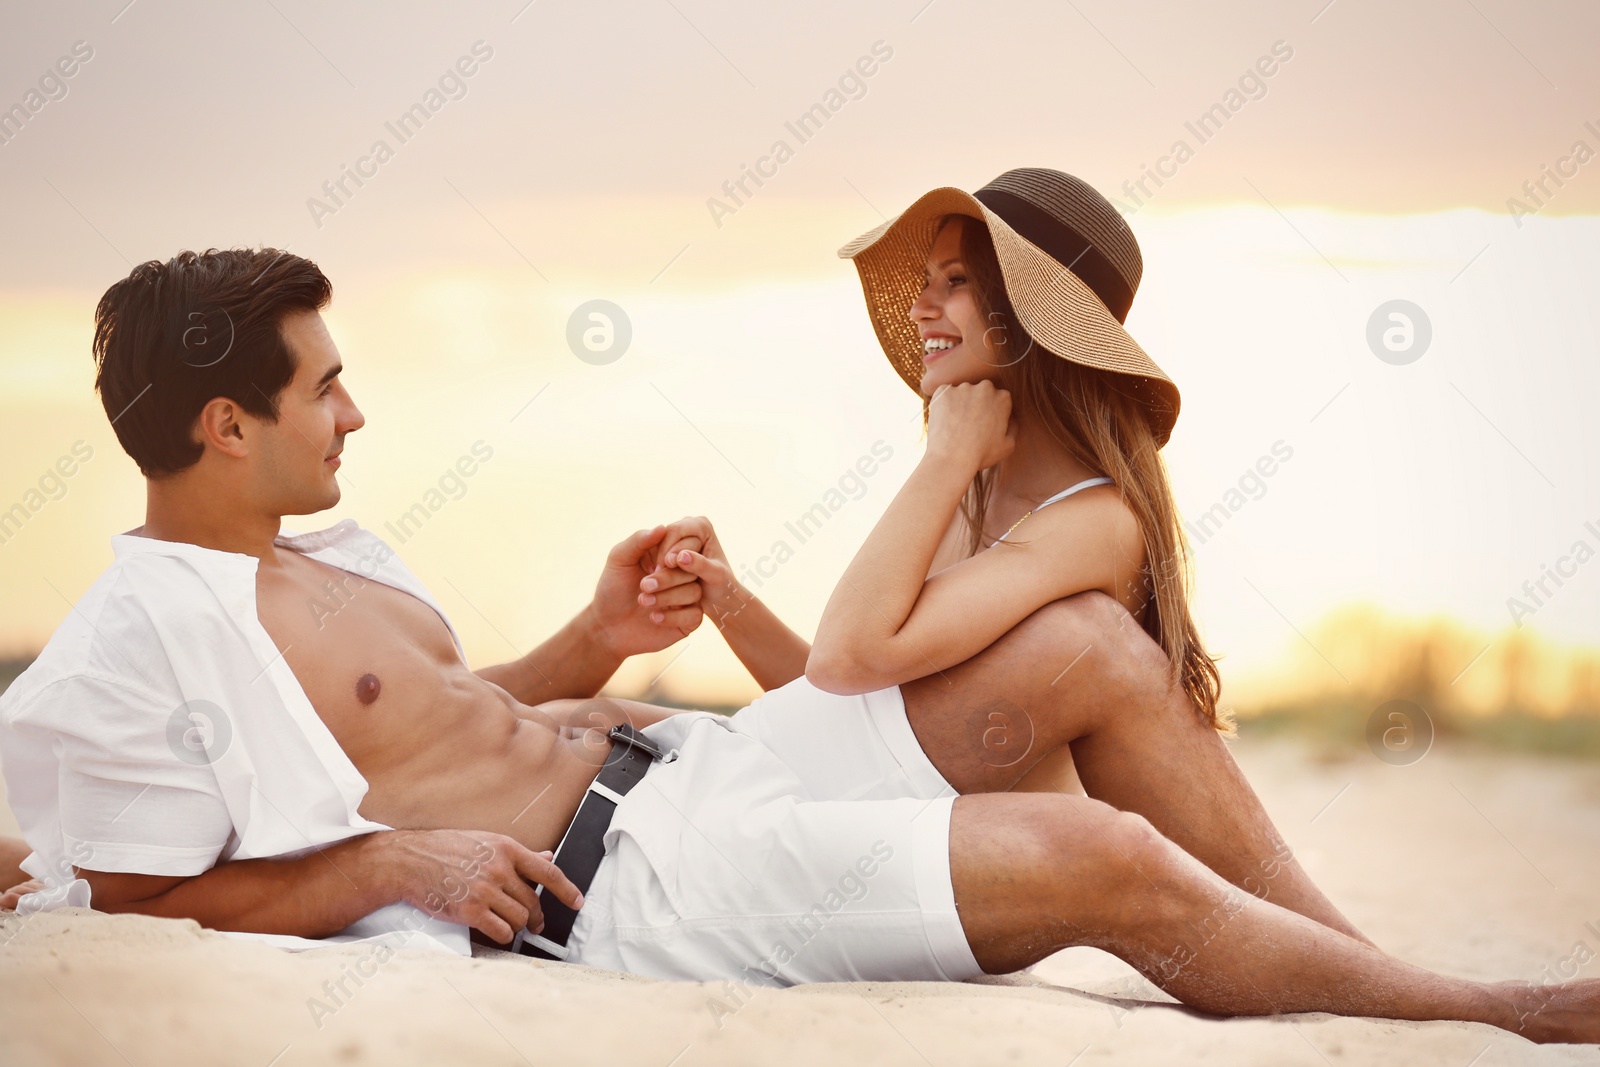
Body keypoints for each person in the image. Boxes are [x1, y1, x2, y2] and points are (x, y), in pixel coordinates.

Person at [0, 245, 1593, 1044]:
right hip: (643, 893)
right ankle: (1487, 1015)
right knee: (1093, 857)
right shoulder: (130, 643)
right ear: (223, 426)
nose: (356, 409)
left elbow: (417, 722)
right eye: (320, 386)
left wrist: (593, 640)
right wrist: (386, 874)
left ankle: (1376, 971)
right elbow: (143, 891)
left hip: (694, 768)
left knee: (1097, 651)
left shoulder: (332, 549)